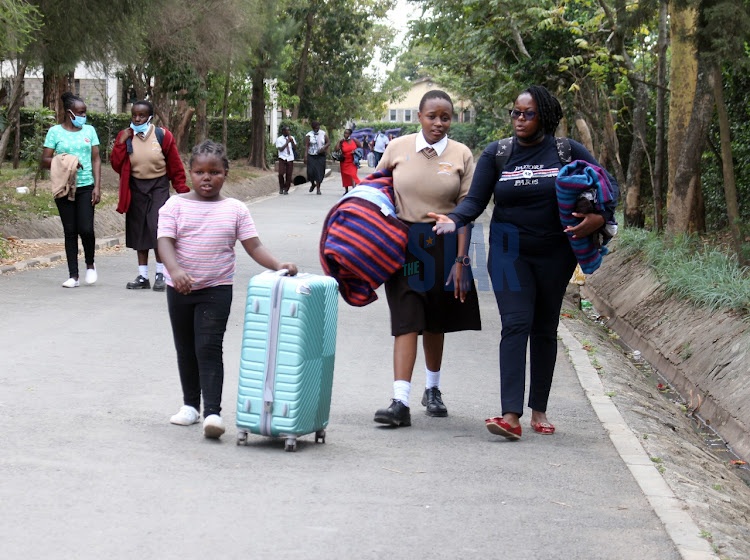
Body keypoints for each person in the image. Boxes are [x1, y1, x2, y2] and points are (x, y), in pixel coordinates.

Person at [429, 85, 618, 440]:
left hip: (555, 251)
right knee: (515, 323)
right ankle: (510, 415)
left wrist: (599, 217)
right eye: (515, 112)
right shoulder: (498, 153)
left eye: (526, 114)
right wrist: (454, 219)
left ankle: (539, 409)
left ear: (543, 116)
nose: (518, 119)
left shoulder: (566, 151)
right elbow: (475, 201)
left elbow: (607, 184)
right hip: (507, 248)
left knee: (544, 328)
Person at [157, 140, 298, 439]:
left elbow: (253, 245)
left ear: (226, 174)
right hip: (179, 288)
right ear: (190, 173)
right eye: (199, 172)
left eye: (214, 172)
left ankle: (212, 413)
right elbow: (164, 242)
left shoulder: (235, 209)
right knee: (186, 349)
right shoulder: (175, 205)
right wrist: (175, 271)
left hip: (216, 288)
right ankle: (190, 406)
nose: (206, 178)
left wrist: (278, 265)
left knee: (207, 348)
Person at [373, 90, 481, 428]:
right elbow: (376, 192)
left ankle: (432, 390)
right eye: (432, 116)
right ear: (419, 116)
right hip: (403, 243)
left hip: (444, 245)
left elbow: (467, 211)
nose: (438, 122)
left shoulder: (462, 154)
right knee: (407, 317)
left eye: (445, 117)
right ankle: (399, 401)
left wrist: (461, 261)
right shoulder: (397, 148)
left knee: (436, 320)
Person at [111, 100, 188, 291]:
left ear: (150, 117)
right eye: (134, 115)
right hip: (135, 187)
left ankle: (161, 274)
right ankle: (143, 276)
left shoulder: (162, 135)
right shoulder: (125, 135)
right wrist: (121, 143)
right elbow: (116, 164)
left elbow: (175, 164)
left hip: (158, 186)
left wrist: (182, 189)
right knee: (139, 231)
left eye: (142, 116)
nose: (137, 119)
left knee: (158, 229)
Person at [40, 92, 101, 288]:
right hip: (64, 187)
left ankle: (90, 265)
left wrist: (97, 186)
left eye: (84, 112)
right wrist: (68, 161)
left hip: (85, 186)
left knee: (86, 229)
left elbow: (96, 159)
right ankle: (73, 276)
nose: (84, 115)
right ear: (69, 113)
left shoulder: (89, 131)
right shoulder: (55, 132)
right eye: (80, 112)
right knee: (70, 231)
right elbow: (45, 160)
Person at [304, 120, 329, 195]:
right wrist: (305, 156)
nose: (316, 129)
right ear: (312, 128)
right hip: (311, 155)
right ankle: (312, 184)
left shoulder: (323, 133)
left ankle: (318, 188)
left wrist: (324, 148)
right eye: (314, 128)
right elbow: (307, 146)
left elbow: (328, 142)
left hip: (320, 156)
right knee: (310, 172)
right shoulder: (309, 135)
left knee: (319, 172)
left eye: (317, 127)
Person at [335, 128, 362, 194]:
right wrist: (339, 141)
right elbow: (336, 149)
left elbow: (360, 146)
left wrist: (355, 151)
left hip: (353, 161)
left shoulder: (354, 140)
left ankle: (354, 189)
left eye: (346, 133)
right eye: (344, 133)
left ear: (350, 134)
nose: (345, 134)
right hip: (344, 161)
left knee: (353, 175)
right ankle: (346, 190)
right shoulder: (342, 142)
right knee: (345, 176)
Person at [274, 125, 296, 195]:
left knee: (289, 174)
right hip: (282, 157)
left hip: (290, 158)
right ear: (283, 131)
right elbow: (280, 149)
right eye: (287, 130)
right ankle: (281, 187)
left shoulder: (291, 138)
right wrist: (287, 143)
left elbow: (295, 148)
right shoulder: (279, 139)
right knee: (281, 173)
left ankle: (286, 189)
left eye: (289, 130)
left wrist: (292, 142)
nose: (288, 132)